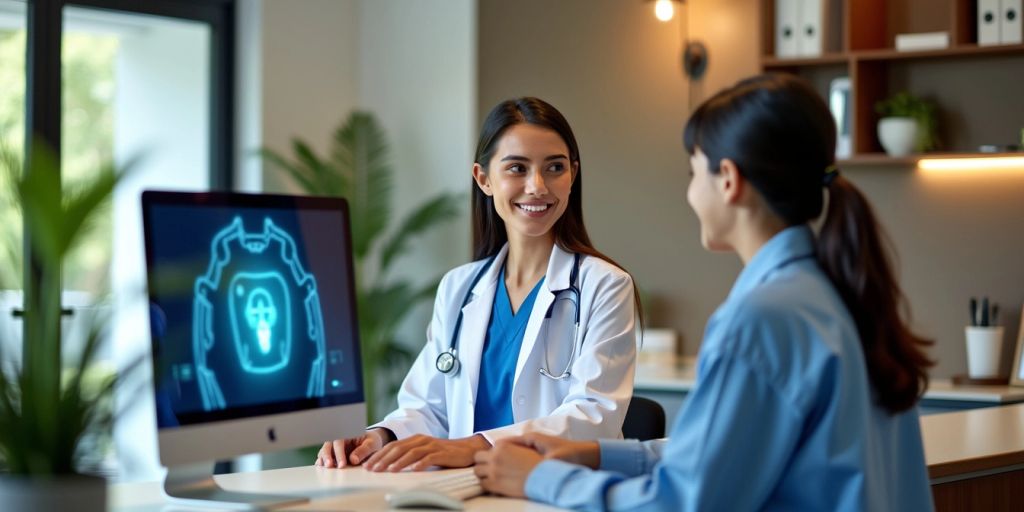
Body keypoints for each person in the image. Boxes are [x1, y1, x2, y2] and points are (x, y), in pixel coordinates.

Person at [473, 74, 935, 510]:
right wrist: (595, 455)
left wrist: (538, 479)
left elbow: (683, 501)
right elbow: (724, 456)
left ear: (729, 181)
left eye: (694, 174)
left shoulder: (759, 320)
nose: (692, 194)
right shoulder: (842, 294)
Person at [316, 97, 641, 472]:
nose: (537, 186)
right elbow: (429, 406)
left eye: (555, 167)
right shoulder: (459, 288)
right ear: (483, 179)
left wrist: (474, 447)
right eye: (517, 168)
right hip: (468, 490)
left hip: (558, 490)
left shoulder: (605, 286)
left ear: (572, 175)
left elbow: (594, 416)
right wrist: (380, 437)